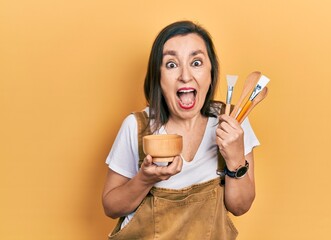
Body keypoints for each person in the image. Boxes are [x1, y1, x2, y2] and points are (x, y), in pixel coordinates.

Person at [102, 20, 260, 240]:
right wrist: (145, 179)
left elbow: (240, 207)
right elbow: (111, 207)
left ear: (211, 72)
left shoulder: (231, 122)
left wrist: (235, 160)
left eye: (196, 62)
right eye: (171, 64)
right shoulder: (137, 127)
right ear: (158, 77)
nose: (185, 76)